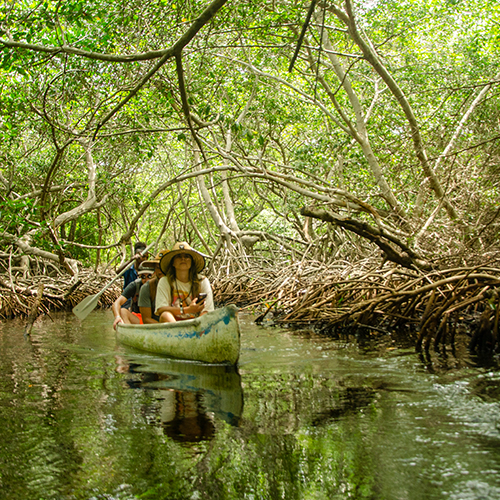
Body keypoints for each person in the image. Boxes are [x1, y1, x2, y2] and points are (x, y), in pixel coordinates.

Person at [155, 242, 214, 323]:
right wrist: (187, 310)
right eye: (179, 256)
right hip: (174, 323)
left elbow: (207, 310)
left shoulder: (202, 281)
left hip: (197, 322)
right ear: (173, 262)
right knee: (165, 315)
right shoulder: (165, 281)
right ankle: (179, 333)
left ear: (191, 262)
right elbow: (161, 309)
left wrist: (196, 325)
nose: (183, 259)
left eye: (186, 256)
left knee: (208, 317)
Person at [138, 249, 168, 324]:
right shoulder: (147, 287)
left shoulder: (178, 284)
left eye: (163, 267)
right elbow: (146, 319)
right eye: (158, 267)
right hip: (157, 327)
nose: (160, 271)